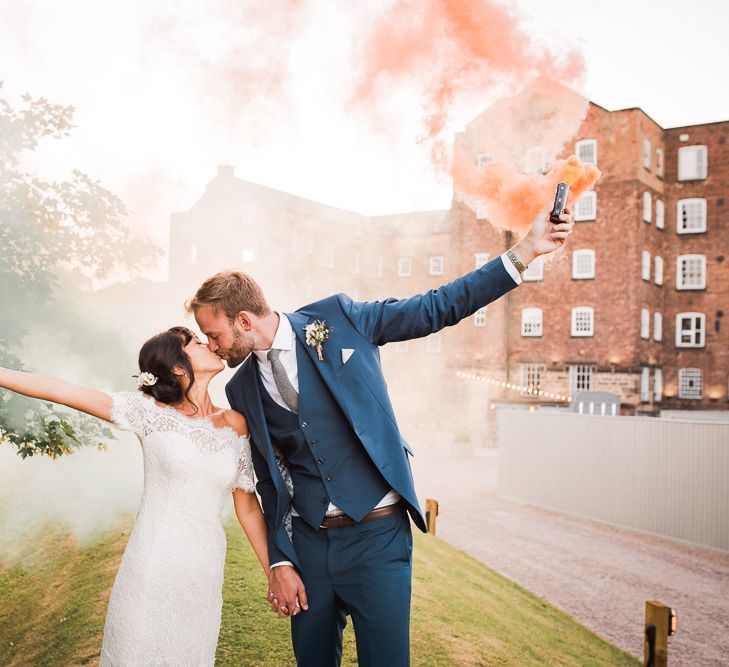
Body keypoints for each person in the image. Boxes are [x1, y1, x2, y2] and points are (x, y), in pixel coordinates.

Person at [188, 206, 574, 666]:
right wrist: (280, 560)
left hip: (378, 538)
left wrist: (527, 251)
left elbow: (437, 307)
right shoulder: (240, 387)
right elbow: (270, 482)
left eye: (214, 335)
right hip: (310, 547)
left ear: (245, 321)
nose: (212, 346)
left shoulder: (340, 318)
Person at [0, 326, 269, 666]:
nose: (211, 345)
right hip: (152, 566)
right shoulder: (147, 411)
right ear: (177, 366)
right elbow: (63, 390)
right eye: (199, 343)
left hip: (203, 572)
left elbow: (246, 507)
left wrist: (273, 572)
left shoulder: (235, 424)